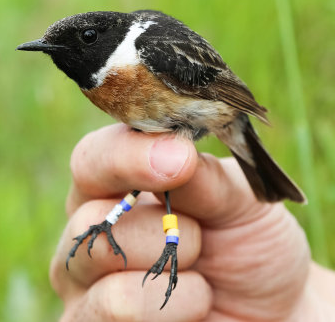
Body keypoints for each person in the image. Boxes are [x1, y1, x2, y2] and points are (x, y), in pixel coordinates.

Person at [49, 124, 335, 321]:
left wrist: (301, 312)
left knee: (167, 174)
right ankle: (114, 221)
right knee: (155, 176)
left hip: (202, 127)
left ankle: (159, 238)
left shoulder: (151, 54)